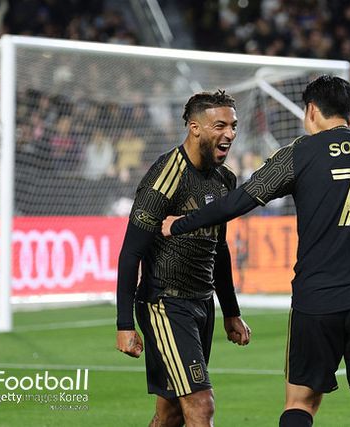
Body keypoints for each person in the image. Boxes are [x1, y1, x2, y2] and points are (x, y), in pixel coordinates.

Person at [162, 76, 350, 427]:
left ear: (311, 111)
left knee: (300, 403)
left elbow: (239, 201)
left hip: (314, 299)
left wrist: (181, 223)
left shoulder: (297, 154)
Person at [115, 90, 251, 427]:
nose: (230, 134)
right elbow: (131, 253)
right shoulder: (165, 177)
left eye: (233, 126)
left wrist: (231, 312)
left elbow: (219, 249)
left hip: (202, 304)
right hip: (166, 304)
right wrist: (124, 324)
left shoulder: (225, 179)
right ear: (195, 128)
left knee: (171, 413)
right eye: (220, 126)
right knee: (201, 405)